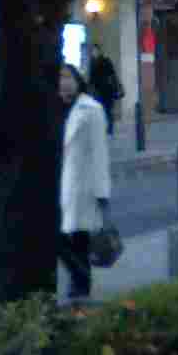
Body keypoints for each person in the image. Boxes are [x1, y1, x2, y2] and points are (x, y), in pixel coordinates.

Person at [58, 63, 110, 301]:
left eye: (68, 77)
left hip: (82, 185)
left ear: (78, 80)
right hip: (60, 183)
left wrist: (102, 191)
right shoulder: (56, 108)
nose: (64, 82)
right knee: (60, 236)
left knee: (79, 238)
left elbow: (100, 152)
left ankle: (81, 283)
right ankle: (78, 278)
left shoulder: (91, 109)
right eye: (60, 78)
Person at [87, 45, 124, 136]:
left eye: (95, 51)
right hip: (97, 91)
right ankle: (102, 127)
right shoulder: (92, 62)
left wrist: (116, 86)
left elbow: (112, 74)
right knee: (100, 110)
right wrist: (89, 88)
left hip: (107, 89)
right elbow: (91, 78)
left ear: (99, 51)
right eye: (92, 51)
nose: (94, 53)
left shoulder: (105, 61)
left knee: (108, 110)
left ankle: (109, 129)